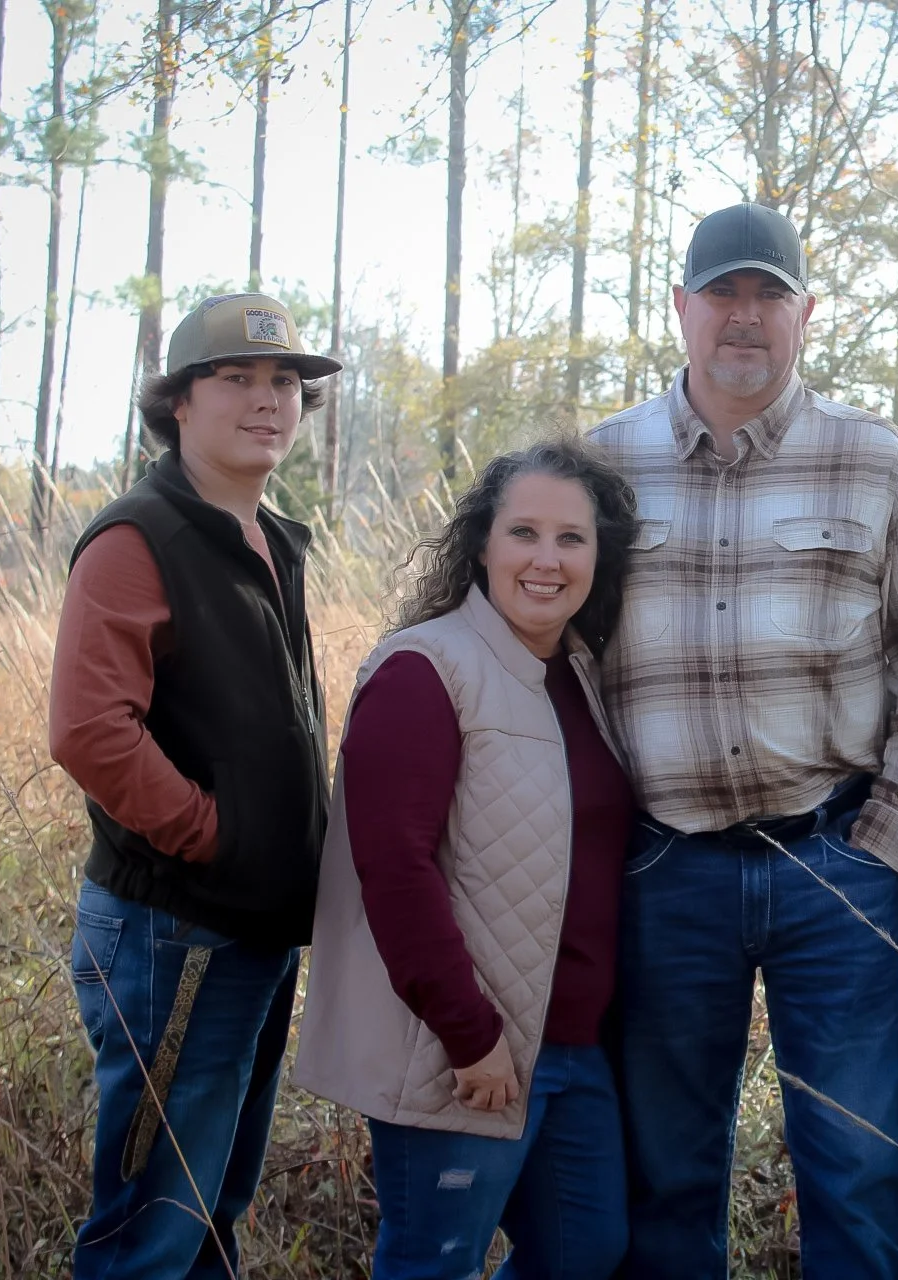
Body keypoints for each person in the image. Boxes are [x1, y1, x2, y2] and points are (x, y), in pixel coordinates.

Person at [588, 201, 898, 1277]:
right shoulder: (602, 465)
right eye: (723, 293)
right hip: (664, 870)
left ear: (807, 313)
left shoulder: (873, 458)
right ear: (680, 306)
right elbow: (557, 657)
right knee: (666, 1170)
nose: (745, 316)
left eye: (769, 295)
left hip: (832, 865)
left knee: (855, 1167)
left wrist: (889, 835)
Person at [292, 437, 640, 1280]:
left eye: (572, 538)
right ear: (482, 544)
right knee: (434, 1263)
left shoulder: (580, 675)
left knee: (585, 1253)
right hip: (465, 1050)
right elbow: (394, 867)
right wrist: (468, 1034)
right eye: (524, 533)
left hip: (571, 1044)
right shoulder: (425, 670)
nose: (547, 560)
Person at [50, 293, 339, 1278]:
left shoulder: (268, 535)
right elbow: (89, 730)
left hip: (251, 929)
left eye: (284, 381)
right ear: (179, 401)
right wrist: (216, 835)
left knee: (211, 1210)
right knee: (150, 1227)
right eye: (237, 379)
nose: (268, 400)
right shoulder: (141, 538)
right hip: (175, 930)